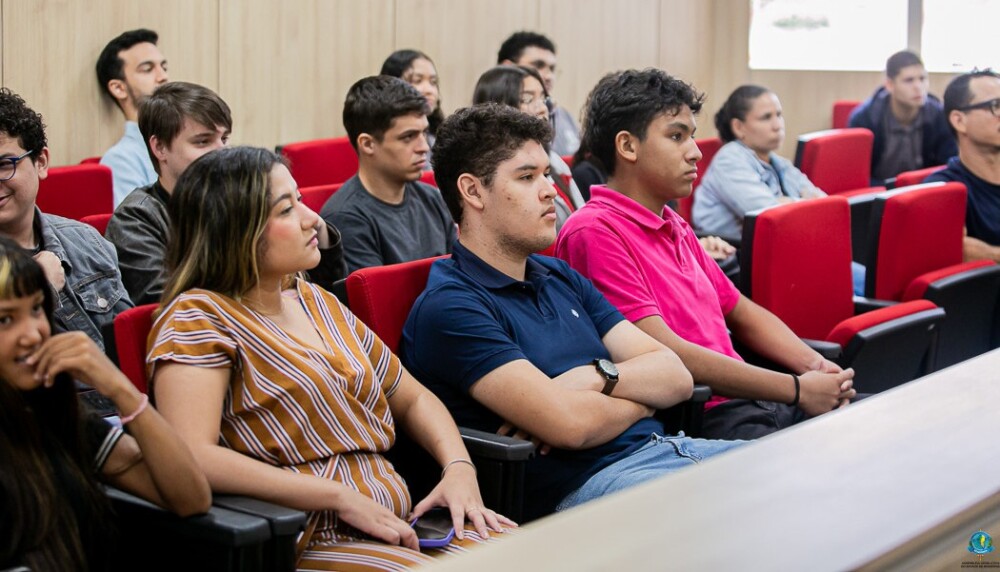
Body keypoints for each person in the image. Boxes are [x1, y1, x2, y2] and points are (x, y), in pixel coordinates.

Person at [149, 146, 511, 570]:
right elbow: (192, 455)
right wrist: (337, 496)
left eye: (300, 200)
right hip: (304, 536)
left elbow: (412, 398)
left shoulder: (315, 300)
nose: (312, 219)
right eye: (286, 210)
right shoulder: (198, 317)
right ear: (235, 229)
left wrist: (458, 468)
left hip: (394, 519)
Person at [400, 103, 742, 521]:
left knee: (802, 471)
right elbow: (570, 425)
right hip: (589, 491)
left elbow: (676, 376)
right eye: (527, 177)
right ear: (472, 192)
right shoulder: (451, 306)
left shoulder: (557, 274)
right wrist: (644, 402)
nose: (549, 191)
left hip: (671, 451)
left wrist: (596, 377)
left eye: (546, 173)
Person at [554, 69, 855, 441]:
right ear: (628, 147)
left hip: (753, 400)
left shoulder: (672, 223)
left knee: (881, 425)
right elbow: (668, 351)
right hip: (706, 415)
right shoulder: (596, 231)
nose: (695, 152)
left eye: (692, 136)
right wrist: (796, 388)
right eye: (677, 136)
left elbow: (741, 311)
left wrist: (816, 367)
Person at [0, 237, 210, 570]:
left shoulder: (52, 414)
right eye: (5, 320)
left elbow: (190, 498)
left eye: (36, 308)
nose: (33, 334)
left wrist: (119, 388)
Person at [105, 82, 345, 305]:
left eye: (224, 139)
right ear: (159, 148)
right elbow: (167, 305)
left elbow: (320, 296)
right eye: (203, 142)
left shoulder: (239, 200)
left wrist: (320, 232)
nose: (221, 152)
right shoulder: (136, 219)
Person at [0, 87, 131, 350]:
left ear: (41, 163)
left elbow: (130, 345)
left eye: (5, 165)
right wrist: (40, 288)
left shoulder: (87, 240)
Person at [320, 76, 455, 273]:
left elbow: (462, 275)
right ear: (368, 144)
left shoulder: (434, 198)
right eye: (408, 137)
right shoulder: (346, 218)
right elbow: (376, 302)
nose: (424, 147)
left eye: (424, 133)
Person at [693, 84, 826, 241]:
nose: (777, 125)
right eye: (766, 117)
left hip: (777, 245)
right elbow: (769, 213)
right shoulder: (729, 160)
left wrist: (789, 202)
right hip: (735, 255)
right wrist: (800, 202)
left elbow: (823, 203)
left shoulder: (777, 162)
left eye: (779, 115)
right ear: (738, 127)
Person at [473, 65, 585, 230]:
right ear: (498, 107)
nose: (542, 109)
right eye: (527, 100)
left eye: (543, 99)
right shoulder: (493, 171)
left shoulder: (553, 161)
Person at [849, 50, 955, 185]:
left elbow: (948, 166)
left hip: (924, 191)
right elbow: (857, 176)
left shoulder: (939, 115)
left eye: (922, 79)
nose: (918, 87)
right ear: (890, 85)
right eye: (909, 80)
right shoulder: (865, 118)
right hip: (876, 195)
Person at [926, 69, 1000, 262]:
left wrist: (988, 251)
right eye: (996, 106)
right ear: (959, 121)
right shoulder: (942, 188)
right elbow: (957, 248)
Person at [96, 29, 169, 206]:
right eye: (147, 69)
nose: (163, 77)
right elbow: (135, 227)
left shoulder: (179, 145)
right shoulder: (121, 160)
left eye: (164, 67)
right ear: (118, 88)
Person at [498, 31, 580, 156]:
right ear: (508, 68)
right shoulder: (485, 122)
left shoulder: (563, 116)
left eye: (552, 69)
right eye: (538, 65)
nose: (548, 76)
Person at [380, 49, 445, 169]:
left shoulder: (439, 134)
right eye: (417, 81)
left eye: (433, 82)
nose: (429, 90)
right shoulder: (383, 139)